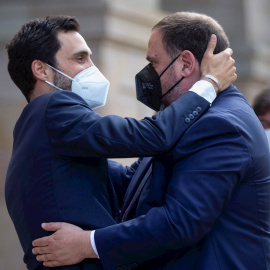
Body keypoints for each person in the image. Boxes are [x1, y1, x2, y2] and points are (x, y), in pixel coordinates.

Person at [33, 12, 270, 270]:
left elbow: (180, 222)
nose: (147, 75)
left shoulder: (221, 124)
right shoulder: (192, 119)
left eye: (153, 63)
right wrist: (64, 152)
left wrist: (85, 244)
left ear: (186, 64)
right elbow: (133, 182)